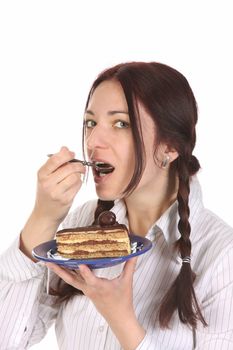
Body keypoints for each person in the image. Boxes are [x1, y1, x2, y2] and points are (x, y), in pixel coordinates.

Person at [0, 62, 233, 350]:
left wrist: (122, 320)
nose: (93, 141)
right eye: (90, 122)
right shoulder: (83, 221)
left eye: (121, 123)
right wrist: (44, 217)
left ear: (170, 147)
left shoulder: (222, 256)